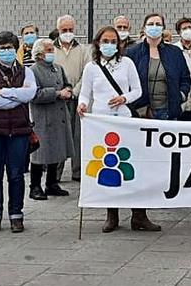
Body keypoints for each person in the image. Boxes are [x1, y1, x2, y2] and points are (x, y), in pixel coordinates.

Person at [77, 26, 161, 233]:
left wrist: (124, 98)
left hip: (124, 120)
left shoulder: (127, 64)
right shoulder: (92, 67)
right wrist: (82, 105)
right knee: (108, 165)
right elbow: (85, 93)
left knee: (132, 165)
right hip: (102, 123)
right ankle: (111, 214)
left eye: (113, 41)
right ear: (98, 43)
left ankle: (139, 215)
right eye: (105, 41)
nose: (109, 45)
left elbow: (138, 91)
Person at [0, 32, 38, 234]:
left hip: (19, 131)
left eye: (10, 47)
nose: (6, 51)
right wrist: (17, 96)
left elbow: (30, 93)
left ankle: (16, 215)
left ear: (16, 48)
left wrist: (4, 92)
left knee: (16, 175)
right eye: (2, 48)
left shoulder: (25, 70)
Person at [28, 37, 73, 201]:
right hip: (43, 118)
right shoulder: (33, 71)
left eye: (52, 50)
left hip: (59, 116)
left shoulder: (58, 68)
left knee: (57, 150)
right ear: (39, 54)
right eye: (48, 50)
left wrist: (68, 90)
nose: (52, 53)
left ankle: (52, 183)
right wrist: (56, 94)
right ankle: (35, 186)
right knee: (40, 154)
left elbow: (67, 84)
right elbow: (34, 94)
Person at [125, 13, 191, 121]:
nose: (154, 27)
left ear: (163, 28)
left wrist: (181, 96)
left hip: (169, 112)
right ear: (144, 28)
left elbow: (185, 78)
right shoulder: (132, 53)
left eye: (158, 24)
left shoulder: (175, 52)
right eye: (151, 24)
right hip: (141, 113)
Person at [55, 15, 90, 183]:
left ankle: (78, 172)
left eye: (70, 30)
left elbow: (86, 75)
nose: (68, 33)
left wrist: (74, 91)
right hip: (58, 99)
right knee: (59, 137)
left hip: (77, 98)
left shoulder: (83, 50)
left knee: (78, 136)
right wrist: (60, 92)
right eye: (64, 30)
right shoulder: (51, 50)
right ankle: (55, 174)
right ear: (58, 30)